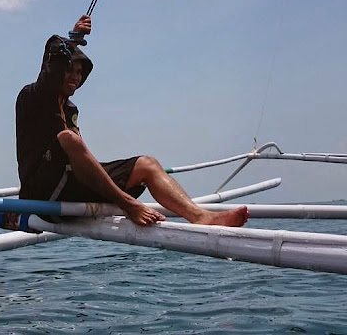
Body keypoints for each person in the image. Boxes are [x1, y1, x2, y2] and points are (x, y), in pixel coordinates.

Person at [15, 15, 250, 227]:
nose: (75, 77)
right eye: (70, 70)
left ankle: (199, 216)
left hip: (70, 189)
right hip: (41, 195)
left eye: (79, 72)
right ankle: (129, 204)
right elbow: (50, 69)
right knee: (69, 138)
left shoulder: (69, 108)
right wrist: (73, 39)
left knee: (146, 164)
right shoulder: (32, 95)